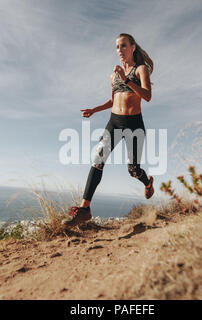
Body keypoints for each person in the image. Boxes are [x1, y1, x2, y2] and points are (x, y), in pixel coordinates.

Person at [63, 33, 154, 227]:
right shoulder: (113, 75)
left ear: (133, 47)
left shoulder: (140, 69)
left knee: (133, 170)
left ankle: (147, 183)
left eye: (123, 46)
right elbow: (113, 101)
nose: (119, 50)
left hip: (133, 124)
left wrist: (127, 80)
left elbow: (147, 96)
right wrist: (94, 110)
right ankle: (84, 209)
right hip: (114, 122)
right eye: (117, 47)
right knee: (98, 160)